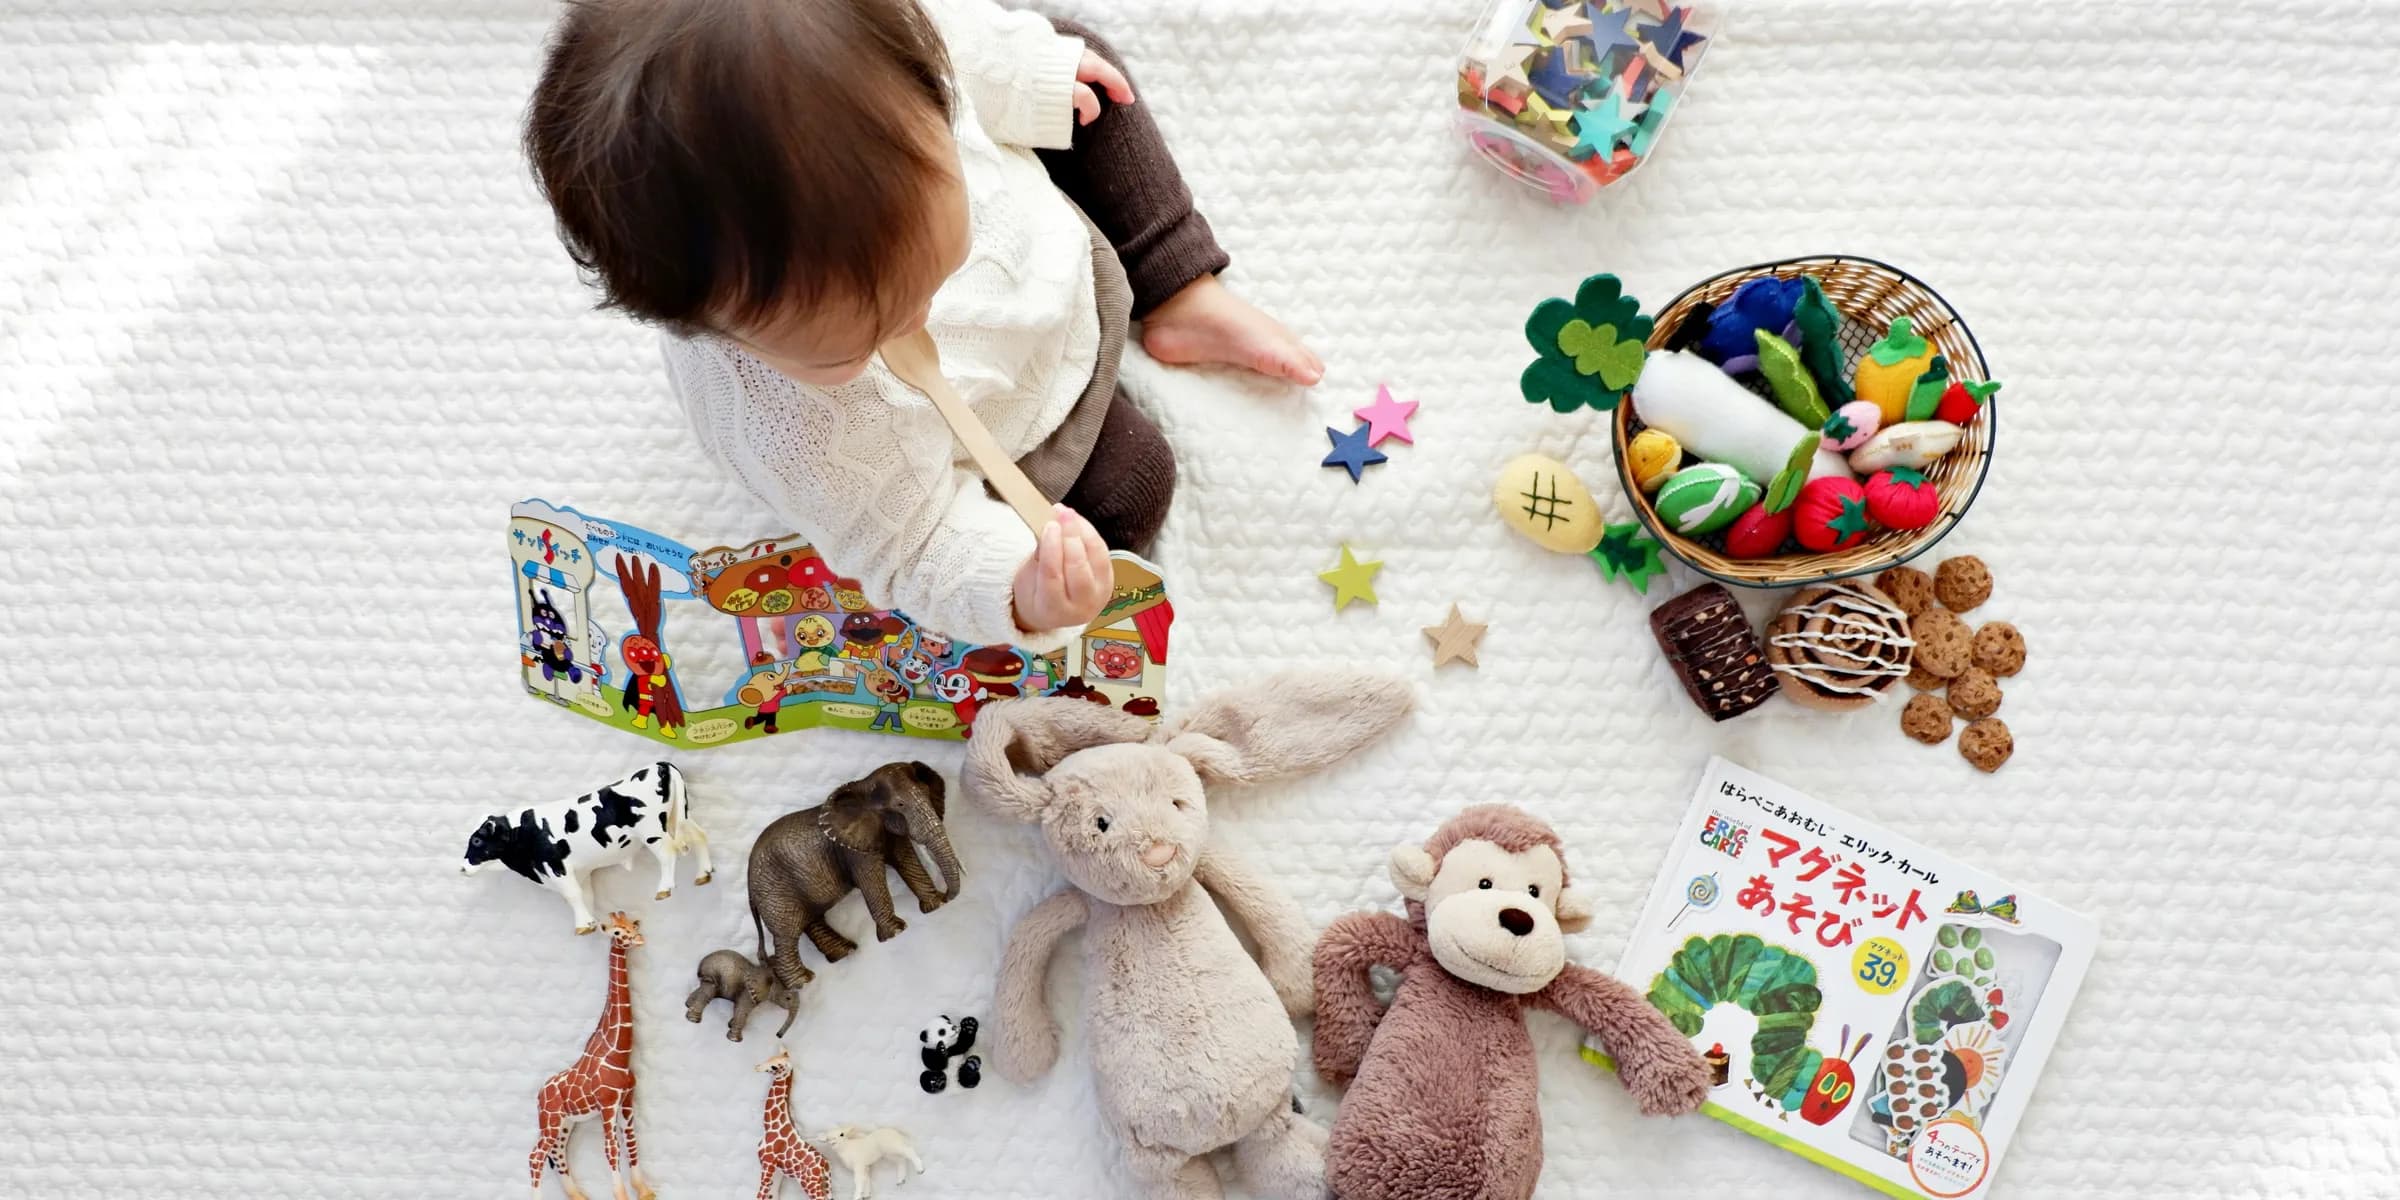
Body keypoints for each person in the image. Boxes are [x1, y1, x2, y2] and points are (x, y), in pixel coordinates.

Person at [524, 0, 1320, 652]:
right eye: (858, 340)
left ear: (929, 103)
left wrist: (1025, 75)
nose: (920, 319)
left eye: (931, 274)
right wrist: (1023, 592)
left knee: (1079, 71)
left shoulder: (889, 55)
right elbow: (914, 547)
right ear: (712, 329)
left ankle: (1177, 288)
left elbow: (962, 44)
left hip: (1054, 255)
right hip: (1010, 427)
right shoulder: (802, 436)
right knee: (1132, 489)